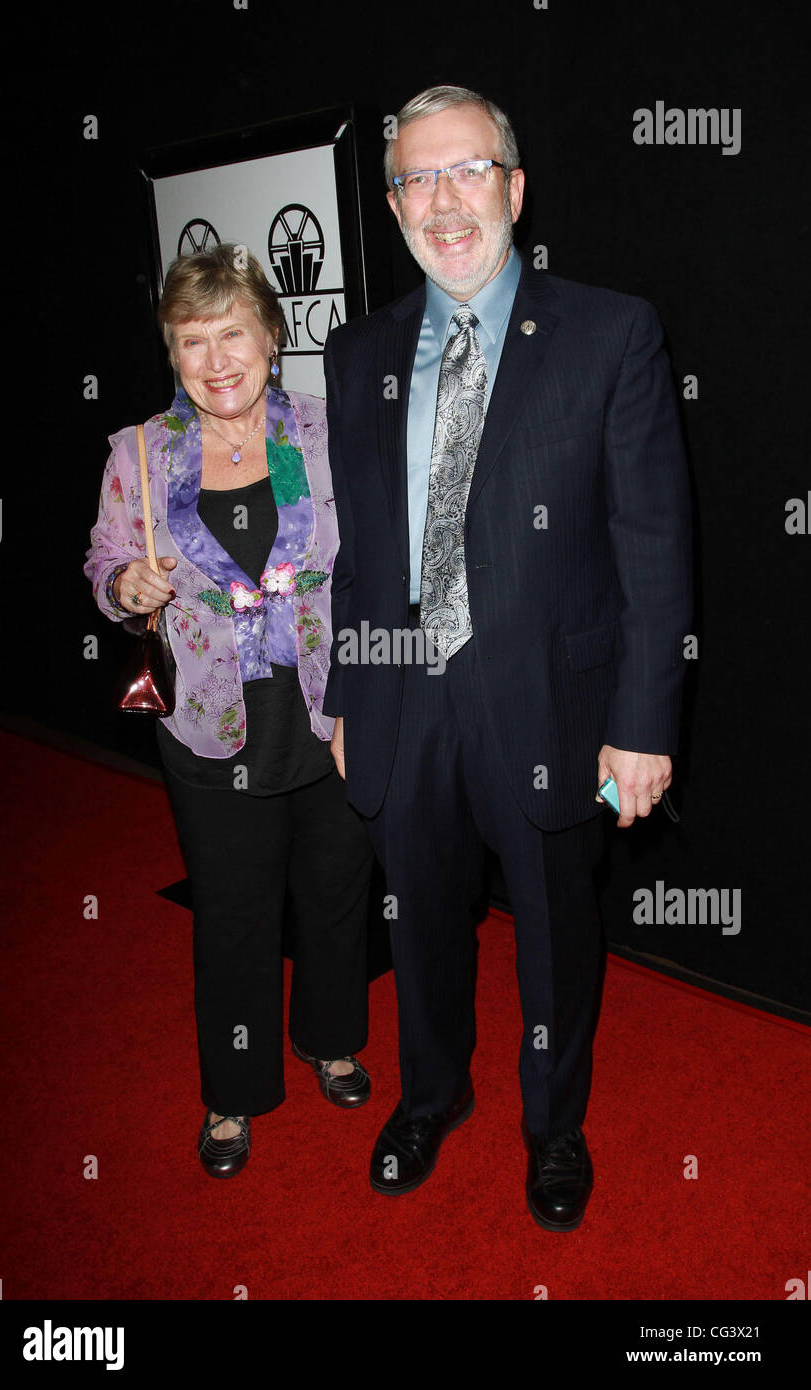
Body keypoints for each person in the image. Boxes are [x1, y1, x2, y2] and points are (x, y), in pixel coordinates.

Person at [323, 86, 692, 1229]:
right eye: (415, 179)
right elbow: (359, 543)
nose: (442, 200)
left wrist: (641, 722)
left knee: (552, 926)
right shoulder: (355, 350)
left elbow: (653, 539)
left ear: (514, 188)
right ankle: (430, 1095)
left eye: (466, 170)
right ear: (390, 206)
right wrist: (345, 693)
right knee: (418, 918)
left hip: (551, 699)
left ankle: (553, 1125)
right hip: (400, 693)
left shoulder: (611, 330)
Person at [85, 244, 375, 1179]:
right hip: (211, 722)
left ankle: (332, 1040)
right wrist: (124, 582)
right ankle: (233, 1092)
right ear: (171, 354)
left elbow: (376, 570)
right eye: (191, 342)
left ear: (273, 337)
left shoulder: (331, 432)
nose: (215, 361)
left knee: (335, 893)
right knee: (235, 912)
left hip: (326, 708)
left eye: (232, 335)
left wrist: (370, 699)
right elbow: (103, 559)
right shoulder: (141, 452)